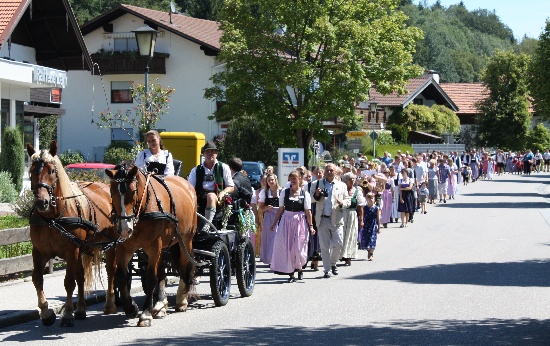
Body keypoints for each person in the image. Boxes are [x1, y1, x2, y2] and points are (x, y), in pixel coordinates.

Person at [270, 171, 315, 283]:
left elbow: (308, 211)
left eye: (295, 178)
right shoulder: (285, 193)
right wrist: (274, 223)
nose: (293, 180)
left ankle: (299, 268)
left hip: (299, 222)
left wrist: (311, 226)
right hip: (286, 221)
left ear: (300, 179)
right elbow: (280, 209)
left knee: (298, 248)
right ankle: (291, 273)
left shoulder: (305, 194)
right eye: (291, 178)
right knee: (288, 248)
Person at [311, 163, 347, 278]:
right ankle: (327, 269)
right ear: (324, 171)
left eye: (331, 170)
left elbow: (348, 199)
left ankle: (333, 262)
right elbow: (310, 199)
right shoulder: (316, 184)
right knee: (324, 246)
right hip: (322, 219)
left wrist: (343, 203)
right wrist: (316, 195)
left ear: (335, 172)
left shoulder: (342, 185)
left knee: (338, 244)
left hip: (337, 218)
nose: (329, 172)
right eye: (327, 170)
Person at [187, 141, 234, 227]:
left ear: (216, 154)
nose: (210, 154)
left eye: (212, 152)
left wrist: (223, 193)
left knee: (211, 196)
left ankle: (207, 225)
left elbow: (231, 186)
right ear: (203, 154)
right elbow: (190, 188)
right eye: (207, 152)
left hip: (218, 199)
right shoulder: (196, 170)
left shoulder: (223, 167)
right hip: (200, 199)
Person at [340, 172, 366, 266]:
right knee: (341, 235)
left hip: (352, 214)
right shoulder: (341, 190)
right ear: (345, 180)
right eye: (350, 179)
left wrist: (361, 219)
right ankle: (341, 255)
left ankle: (348, 257)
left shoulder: (357, 191)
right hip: (341, 214)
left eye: (353, 179)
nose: (352, 181)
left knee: (351, 235)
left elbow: (360, 207)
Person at [258, 174, 282, 265]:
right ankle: (270, 258)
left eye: (272, 180)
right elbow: (260, 207)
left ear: (276, 180)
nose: (271, 182)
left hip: (280, 215)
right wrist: (266, 208)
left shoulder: (282, 191)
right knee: (269, 237)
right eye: (268, 181)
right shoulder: (264, 192)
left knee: (278, 236)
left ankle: (278, 258)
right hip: (269, 216)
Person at [359, 192, 380, 260]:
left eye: (372, 198)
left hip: (373, 225)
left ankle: (371, 254)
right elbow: (362, 216)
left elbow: (378, 218)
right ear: (366, 199)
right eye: (369, 198)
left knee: (372, 239)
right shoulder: (365, 208)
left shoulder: (376, 208)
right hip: (366, 225)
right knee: (366, 239)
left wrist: (379, 228)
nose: (371, 199)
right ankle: (369, 250)